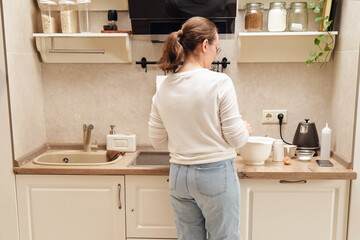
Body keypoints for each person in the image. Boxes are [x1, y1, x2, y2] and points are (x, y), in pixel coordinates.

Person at [148, 16, 252, 240]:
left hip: (179, 177)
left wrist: (185, 135)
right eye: (216, 46)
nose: (216, 52)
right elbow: (236, 138)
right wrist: (244, 129)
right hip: (215, 174)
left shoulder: (163, 86)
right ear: (205, 45)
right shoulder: (219, 82)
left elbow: (156, 140)